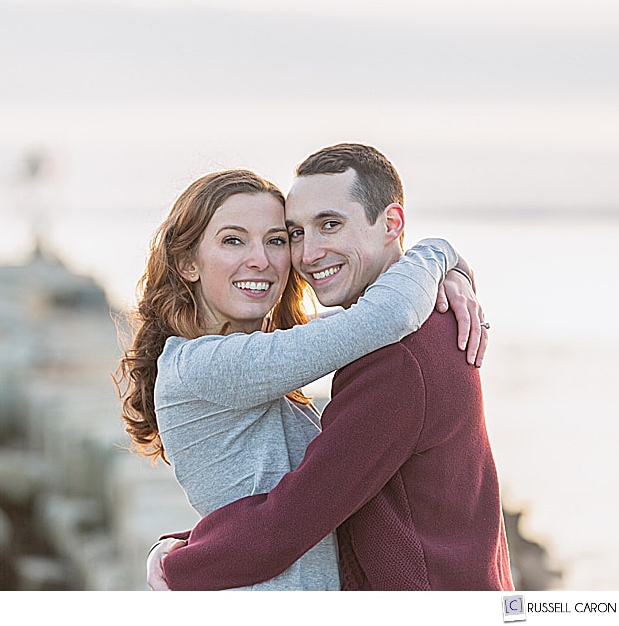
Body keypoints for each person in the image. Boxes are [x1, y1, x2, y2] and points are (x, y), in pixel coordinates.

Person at [148, 143, 514, 591]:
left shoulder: (395, 354)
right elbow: (300, 503)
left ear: (391, 224)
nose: (306, 254)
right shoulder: (211, 365)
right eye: (297, 233)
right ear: (188, 262)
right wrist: (443, 258)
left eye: (328, 225)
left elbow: (295, 513)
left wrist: (180, 561)